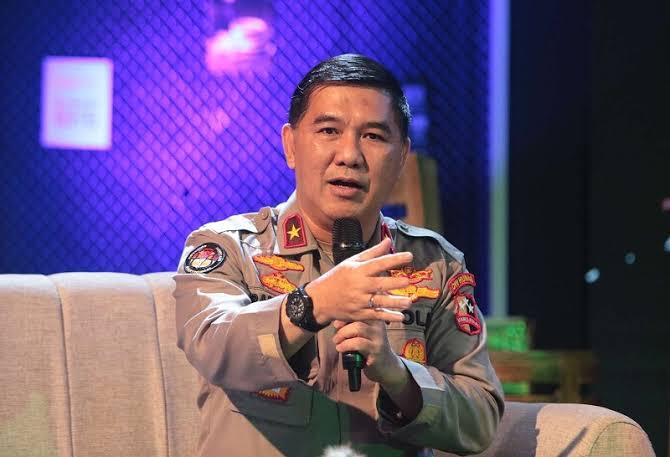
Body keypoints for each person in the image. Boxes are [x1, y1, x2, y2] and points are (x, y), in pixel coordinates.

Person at [174, 54, 504, 457]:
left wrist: (399, 377)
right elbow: (212, 347)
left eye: (374, 136)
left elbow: (481, 421)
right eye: (329, 130)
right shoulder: (228, 248)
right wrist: (312, 305)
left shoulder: (434, 265)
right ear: (290, 145)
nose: (349, 154)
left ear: (402, 157)